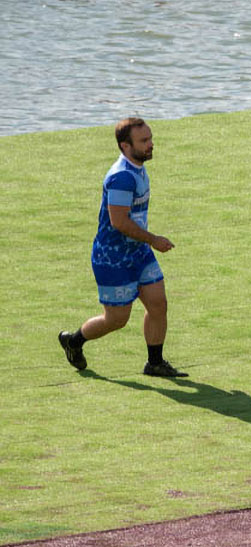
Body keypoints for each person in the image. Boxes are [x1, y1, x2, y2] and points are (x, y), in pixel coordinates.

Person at [58, 117, 185, 377]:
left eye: (150, 138)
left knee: (158, 304)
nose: (151, 145)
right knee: (116, 319)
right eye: (144, 141)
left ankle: (155, 363)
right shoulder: (122, 178)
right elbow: (118, 222)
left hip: (137, 252)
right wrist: (153, 239)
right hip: (112, 258)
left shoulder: (137, 167)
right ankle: (74, 341)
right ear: (125, 146)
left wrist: (146, 243)